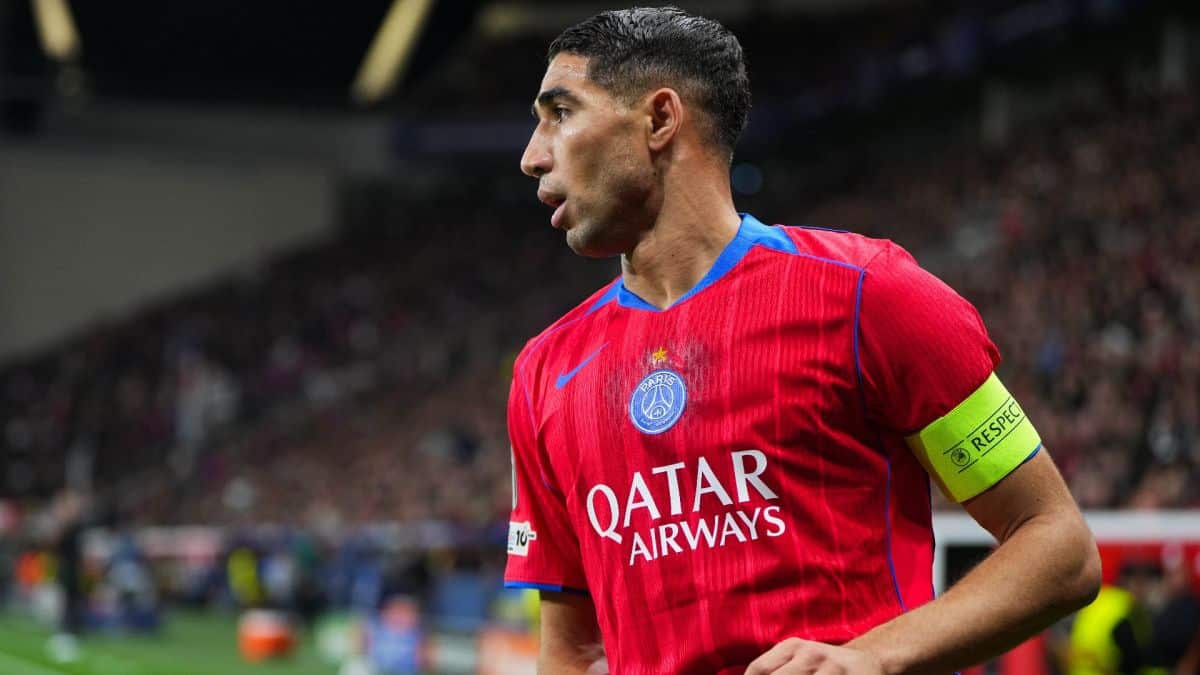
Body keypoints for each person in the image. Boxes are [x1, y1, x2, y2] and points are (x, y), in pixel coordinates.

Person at [503, 7, 1101, 674]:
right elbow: (572, 648)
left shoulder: (869, 295)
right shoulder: (545, 372)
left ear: (659, 119)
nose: (533, 155)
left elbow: (1059, 545)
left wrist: (870, 659)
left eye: (560, 112)